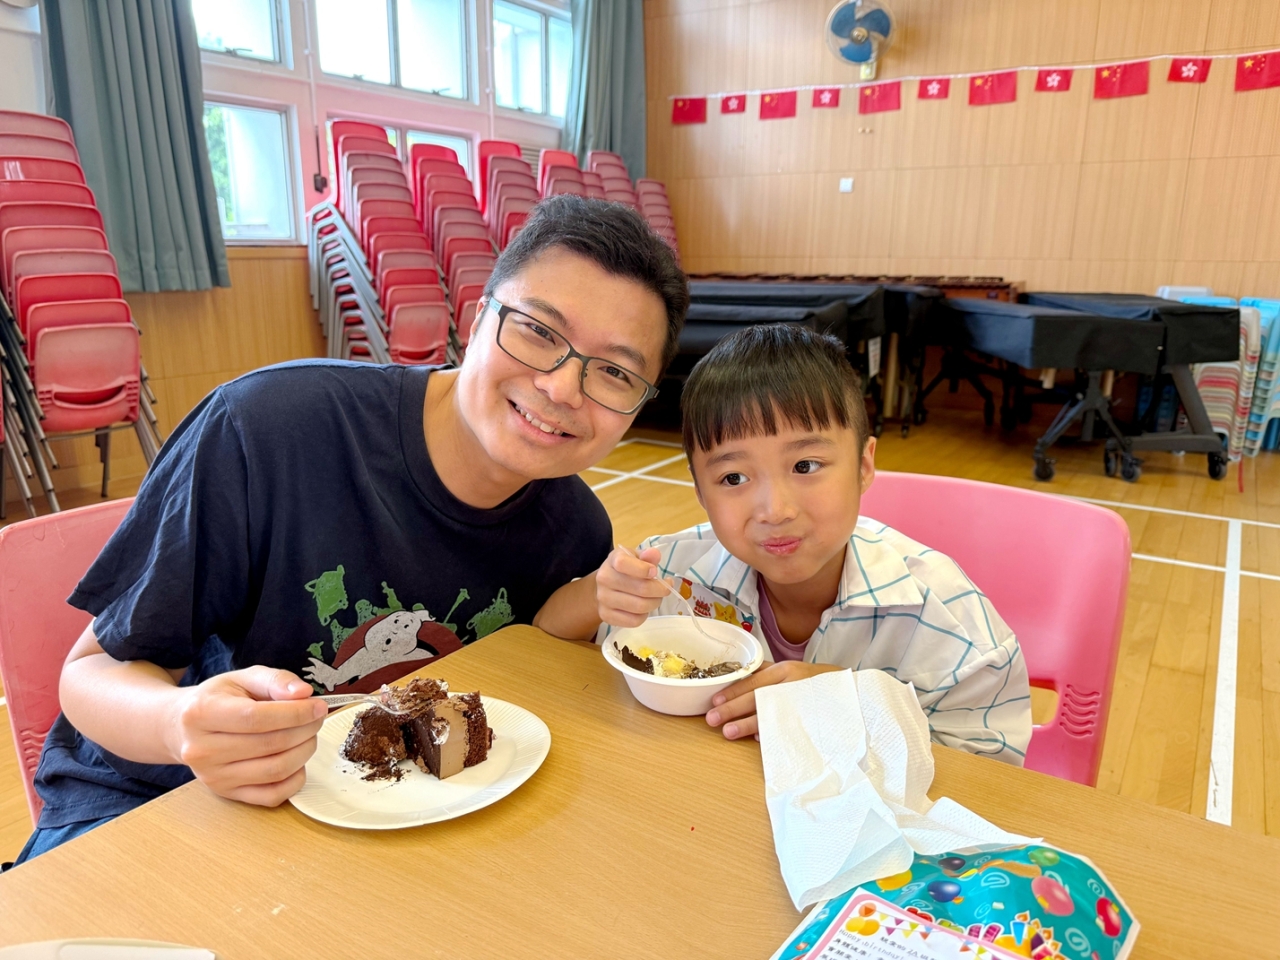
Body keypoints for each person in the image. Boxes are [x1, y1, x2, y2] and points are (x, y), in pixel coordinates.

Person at [14, 196, 687, 864]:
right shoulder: (268, 429)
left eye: (615, 372)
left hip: (380, 829)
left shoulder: (575, 532)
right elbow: (92, 672)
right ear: (479, 317)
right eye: (538, 331)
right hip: (157, 799)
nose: (563, 389)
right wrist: (175, 723)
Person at [536, 324, 1031, 763]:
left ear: (863, 465)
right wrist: (599, 594)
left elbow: (995, 769)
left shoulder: (945, 617)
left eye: (805, 466)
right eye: (733, 477)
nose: (774, 510)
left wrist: (857, 706)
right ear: (700, 491)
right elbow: (544, 638)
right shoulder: (675, 573)